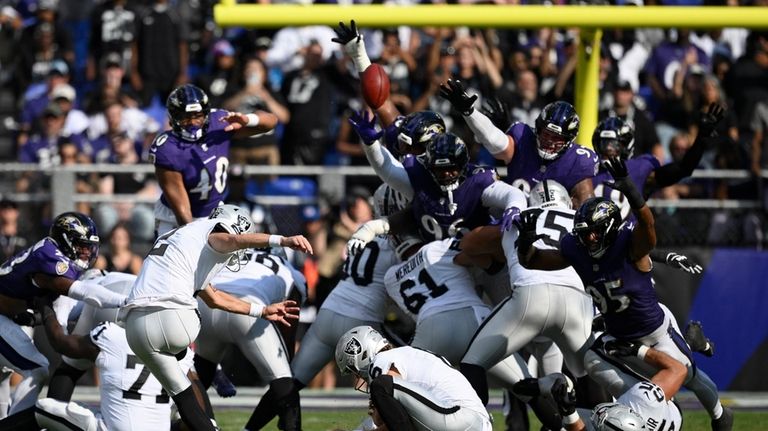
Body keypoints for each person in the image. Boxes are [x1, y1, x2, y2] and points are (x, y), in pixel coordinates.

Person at [517, 159, 733, 431]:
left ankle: (720, 416)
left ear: (609, 229)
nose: (589, 239)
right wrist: (524, 241)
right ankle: (646, 410)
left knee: (688, 375)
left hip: (654, 333)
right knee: (592, 362)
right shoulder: (576, 249)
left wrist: (632, 190)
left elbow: (649, 229)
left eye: (595, 233)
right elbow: (533, 260)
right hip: (617, 336)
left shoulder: (630, 247)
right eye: (585, 233)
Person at [120, 204, 312, 431]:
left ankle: (196, 373)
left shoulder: (181, 240)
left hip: (135, 328)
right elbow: (230, 241)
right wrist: (281, 240)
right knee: (187, 334)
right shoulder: (212, 231)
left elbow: (215, 298)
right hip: (176, 319)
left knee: (185, 398)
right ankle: (208, 368)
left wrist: (261, 310)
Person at [245, 184, 403, 431]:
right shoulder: (399, 240)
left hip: (330, 311)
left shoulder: (361, 232)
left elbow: (327, 266)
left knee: (291, 381)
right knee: (396, 379)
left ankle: (248, 429)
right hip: (362, 319)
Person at [456, 180, 595, 430]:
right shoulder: (580, 219)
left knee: (472, 363)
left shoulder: (519, 217)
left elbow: (468, 244)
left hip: (531, 297)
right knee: (591, 375)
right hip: (577, 302)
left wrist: (502, 233)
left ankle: (476, 425)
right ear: (566, 201)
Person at [0, 297, 194, 431]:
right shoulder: (182, 354)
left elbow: (60, 343)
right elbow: (193, 408)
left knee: (45, 408)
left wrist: (46, 307)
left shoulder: (112, 336)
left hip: (110, 428)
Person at [0, 212, 126, 414]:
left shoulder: (60, 260)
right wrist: (125, 301)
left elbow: (60, 319)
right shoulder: (48, 256)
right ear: (65, 240)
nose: (87, 252)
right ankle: (15, 427)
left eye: (89, 246)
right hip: (2, 319)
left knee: (3, 376)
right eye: (81, 245)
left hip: (7, 319)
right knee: (37, 369)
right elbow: (82, 292)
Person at [193, 248, 308, 431]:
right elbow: (288, 324)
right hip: (248, 310)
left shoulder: (233, 257)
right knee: (284, 382)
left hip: (208, 306)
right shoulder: (291, 273)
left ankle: (175, 418)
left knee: (203, 369)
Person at [439, 79, 598, 207]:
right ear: (538, 127)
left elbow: (586, 207)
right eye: (546, 133)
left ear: (569, 140)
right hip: (512, 221)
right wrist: (470, 113)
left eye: (557, 137)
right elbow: (494, 141)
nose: (549, 140)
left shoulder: (579, 160)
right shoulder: (524, 137)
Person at [348, 128, 525, 242]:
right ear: (430, 167)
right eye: (440, 170)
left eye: (451, 169)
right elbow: (387, 169)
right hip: (434, 257)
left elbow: (512, 194)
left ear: (462, 165)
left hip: (478, 258)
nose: (447, 174)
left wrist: (514, 207)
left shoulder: (478, 180)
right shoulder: (420, 177)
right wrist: (371, 145)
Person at [149, 83, 278, 236]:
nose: (192, 123)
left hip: (213, 213)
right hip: (173, 219)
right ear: (173, 118)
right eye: (185, 117)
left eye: (197, 116)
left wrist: (247, 119)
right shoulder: (168, 148)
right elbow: (182, 209)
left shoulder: (218, 123)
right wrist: (194, 238)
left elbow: (270, 122)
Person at [335, 326, 493, 431]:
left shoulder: (382, 359)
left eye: (355, 371)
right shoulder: (405, 356)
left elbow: (384, 417)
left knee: (381, 386)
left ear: (363, 354)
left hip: (459, 418)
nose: (358, 377)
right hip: (469, 422)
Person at [592, 104, 725, 221]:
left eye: (614, 144)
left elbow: (684, 168)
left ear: (626, 145)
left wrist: (701, 138)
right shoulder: (586, 168)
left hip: (628, 245)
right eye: (604, 143)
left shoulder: (638, 169)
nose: (609, 149)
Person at [514, 342, 688, 431]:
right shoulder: (644, 399)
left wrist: (569, 412)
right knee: (593, 361)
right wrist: (639, 350)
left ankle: (545, 391)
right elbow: (678, 370)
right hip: (665, 409)